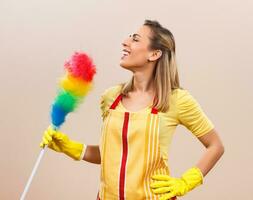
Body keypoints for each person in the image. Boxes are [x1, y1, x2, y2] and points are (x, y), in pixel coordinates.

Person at [40, 19, 225, 200]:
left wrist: (186, 182)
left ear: (154, 54)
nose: (125, 42)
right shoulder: (111, 98)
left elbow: (215, 146)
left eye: (135, 39)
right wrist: (71, 148)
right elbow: (113, 155)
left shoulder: (176, 100)